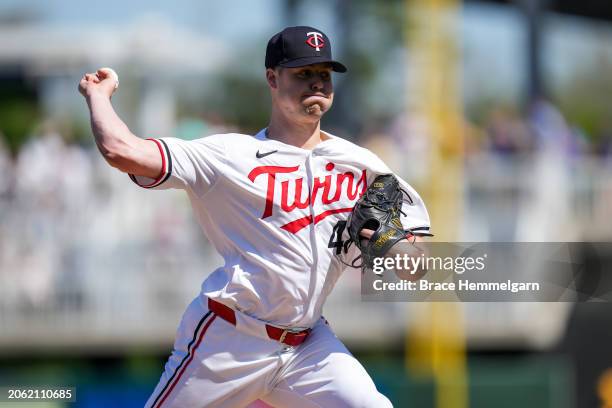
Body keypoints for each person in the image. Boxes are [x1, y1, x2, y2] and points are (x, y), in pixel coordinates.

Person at [79, 25, 431, 408]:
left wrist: (389, 241)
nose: (316, 83)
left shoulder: (362, 166)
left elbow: (418, 268)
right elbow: (120, 150)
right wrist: (99, 97)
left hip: (307, 347)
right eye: (303, 73)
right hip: (230, 339)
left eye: (324, 75)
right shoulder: (229, 156)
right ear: (272, 79)